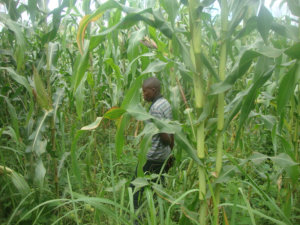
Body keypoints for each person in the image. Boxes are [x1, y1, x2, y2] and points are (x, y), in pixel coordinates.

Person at [131, 77, 174, 211]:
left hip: (152, 156)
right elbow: (172, 130)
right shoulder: (165, 103)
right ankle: (156, 215)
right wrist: (170, 154)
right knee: (157, 189)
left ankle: (136, 218)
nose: (143, 94)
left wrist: (166, 142)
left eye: (145, 91)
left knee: (134, 187)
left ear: (153, 90)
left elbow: (165, 137)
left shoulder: (155, 109)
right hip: (163, 156)